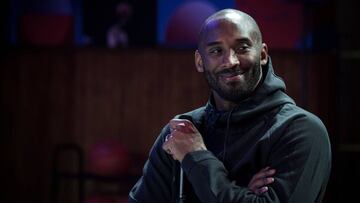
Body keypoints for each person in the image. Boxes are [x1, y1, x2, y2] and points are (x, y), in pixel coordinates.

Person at [129, 8, 331, 203]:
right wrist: (242, 195)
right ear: (200, 62)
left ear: (262, 54)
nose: (231, 61)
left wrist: (195, 156)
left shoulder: (300, 130)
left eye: (242, 48)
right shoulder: (180, 133)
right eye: (217, 51)